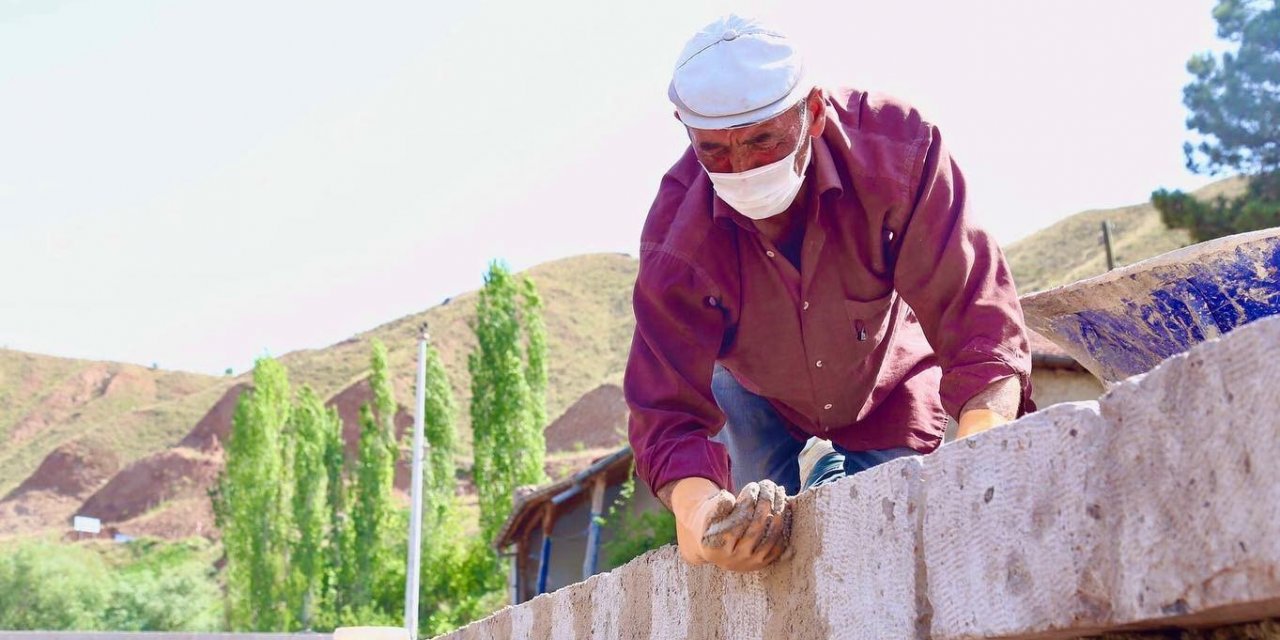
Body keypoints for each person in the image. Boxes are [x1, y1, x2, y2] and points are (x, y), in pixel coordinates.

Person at [624, 14, 1036, 573]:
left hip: (886, 386)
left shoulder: (899, 155)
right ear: (685, 128)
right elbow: (665, 411)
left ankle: (838, 476)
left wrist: (978, 456)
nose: (742, 168)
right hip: (754, 401)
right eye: (715, 151)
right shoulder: (678, 240)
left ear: (812, 111)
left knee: (899, 543)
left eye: (763, 140)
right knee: (764, 555)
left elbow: (977, 318)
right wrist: (701, 519)